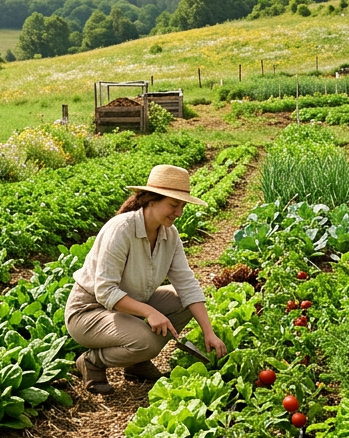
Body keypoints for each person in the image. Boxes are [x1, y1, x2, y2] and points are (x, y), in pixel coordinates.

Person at [65, 164, 227, 394]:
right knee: (145, 342)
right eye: (174, 204)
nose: (179, 212)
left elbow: (187, 283)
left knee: (184, 301)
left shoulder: (169, 235)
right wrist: (150, 312)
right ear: (151, 200)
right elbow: (105, 291)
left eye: (182, 205)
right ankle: (92, 361)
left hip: (126, 308)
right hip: (89, 312)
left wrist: (208, 332)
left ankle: (136, 363)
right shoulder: (122, 229)